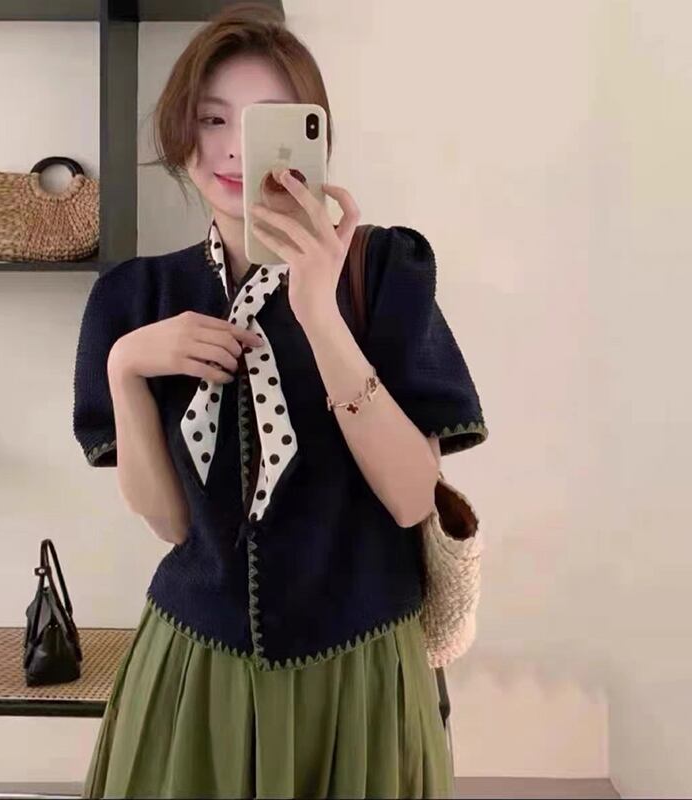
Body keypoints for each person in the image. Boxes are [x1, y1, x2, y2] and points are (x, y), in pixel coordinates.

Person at [73, 3, 488, 798]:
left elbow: (412, 499)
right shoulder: (137, 297)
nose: (235, 148)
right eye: (211, 119)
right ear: (180, 135)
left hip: (361, 668)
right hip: (192, 667)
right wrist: (126, 368)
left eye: (266, 122)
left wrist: (319, 315)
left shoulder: (384, 271)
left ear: (312, 136)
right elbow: (170, 523)